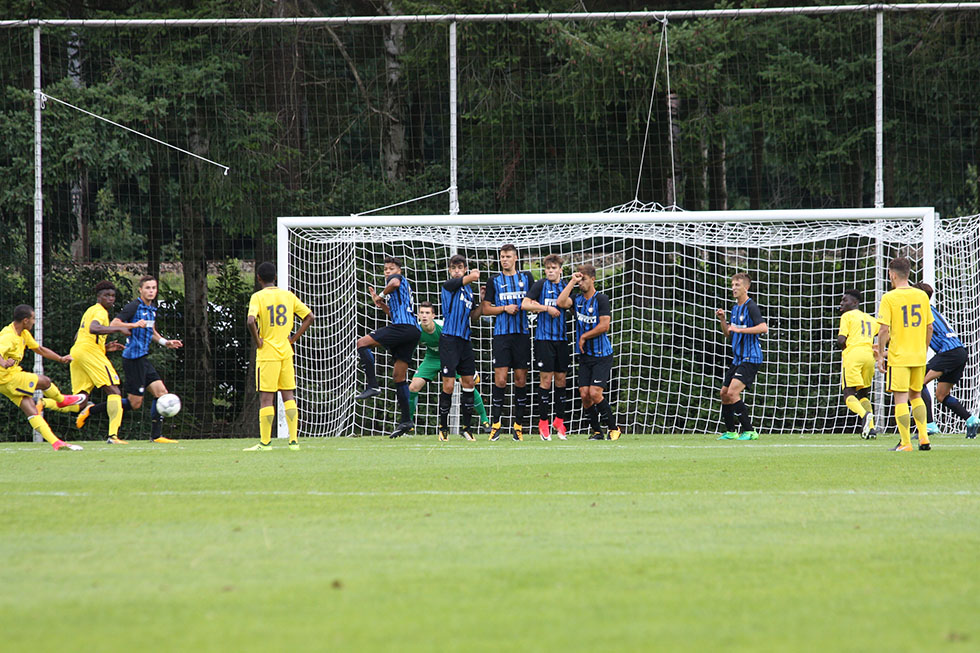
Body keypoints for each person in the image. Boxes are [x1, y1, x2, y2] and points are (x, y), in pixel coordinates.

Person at [75, 275, 184, 443]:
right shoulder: (133, 307)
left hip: (143, 358)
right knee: (134, 403)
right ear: (140, 290)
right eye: (147, 288)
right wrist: (132, 325)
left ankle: (156, 436)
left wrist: (165, 342)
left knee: (161, 393)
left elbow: (150, 329)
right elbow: (114, 323)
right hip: (133, 359)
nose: (151, 291)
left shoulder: (152, 308)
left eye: (154, 288)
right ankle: (92, 410)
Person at [243, 261, 314, 451]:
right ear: (275, 277)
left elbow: (250, 320)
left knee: (267, 399)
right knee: (288, 396)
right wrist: (294, 339)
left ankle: (265, 443)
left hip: (268, 353)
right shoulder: (287, 296)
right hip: (285, 351)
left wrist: (258, 340)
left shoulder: (258, 297)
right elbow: (309, 316)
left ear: (259, 278)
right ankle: (293, 441)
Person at [0, 304, 85, 450]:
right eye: (33, 318)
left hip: (9, 378)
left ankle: (56, 443)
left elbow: (39, 349)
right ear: (25, 320)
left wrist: (60, 358)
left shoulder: (23, 333)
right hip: (7, 379)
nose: (34, 321)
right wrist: (4, 363)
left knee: (31, 410)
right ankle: (62, 400)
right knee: (44, 381)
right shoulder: (9, 336)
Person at [355, 256, 421, 438]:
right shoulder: (397, 292)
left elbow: (394, 284)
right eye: (385, 269)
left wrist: (380, 295)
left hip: (403, 328)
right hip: (412, 331)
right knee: (399, 377)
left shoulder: (398, 280)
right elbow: (393, 312)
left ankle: (373, 385)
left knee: (361, 343)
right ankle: (406, 421)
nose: (387, 272)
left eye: (391, 268)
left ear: (399, 270)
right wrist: (382, 303)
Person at [407, 300, 490, 437]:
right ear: (418, 315)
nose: (424, 316)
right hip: (432, 358)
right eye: (422, 313)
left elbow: (459, 344)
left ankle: (485, 421)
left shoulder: (443, 326)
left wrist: (469, 368)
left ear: (433, 315)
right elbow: (410, 348)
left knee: (467, 384)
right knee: (413, 387)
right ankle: (408, 423)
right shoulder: (416, 331)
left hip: (451, 357)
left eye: (427, 313)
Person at [556, 264, 621, 441]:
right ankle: (597, 431)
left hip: (602, 355)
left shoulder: (601, 299)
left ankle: (614, 428)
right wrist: (571, 281)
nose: (580, 283)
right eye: (579, 279)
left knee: (595, 393)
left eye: (583, 279)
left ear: (593, 279)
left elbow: (604, 325)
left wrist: (584, 336)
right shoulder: (577, 299)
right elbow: (561, 302)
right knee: (584, 395)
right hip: (585, 356)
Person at [875, 257, 933, 452]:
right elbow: (929, 327)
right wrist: (923, 349)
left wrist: (881, 354)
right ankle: (924, 437)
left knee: (900, 398)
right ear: (908, 274)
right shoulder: (921, 296)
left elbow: (883, 330)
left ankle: (906, 442)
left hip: (899, 356)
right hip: (918, 355)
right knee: (916, 395)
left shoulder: (890, 298)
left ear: (892, 274)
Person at [482, 244, 535, 441]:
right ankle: (496, 424)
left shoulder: (526, 278)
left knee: (521, 380)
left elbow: (533, 301)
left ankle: (518, 426)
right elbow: (486, 309)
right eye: (502, 256)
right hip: (502, 335)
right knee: (501, 379)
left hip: (522, 334)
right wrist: (504, 308)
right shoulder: (494, 280)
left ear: (516, 258)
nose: (504, 259)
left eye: (508, 256)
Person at [913, 282, 979, 439]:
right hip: (960, 351)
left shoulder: (921, 310)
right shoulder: (931, 308)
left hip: (949, 352)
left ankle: (929, 425)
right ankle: (971, 419)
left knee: (917, 383)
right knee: (941, 395)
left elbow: (927, 331)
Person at [70, 281, 132, 444]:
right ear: (99, 297)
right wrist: (118, 328)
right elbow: (94, 329)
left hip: (78, 352)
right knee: (114, 391)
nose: (110, 299)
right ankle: (113, 436)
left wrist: (104, 347)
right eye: (107, 295)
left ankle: (44, 403)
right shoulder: (100, 312)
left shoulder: (89, 310)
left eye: (113, 296)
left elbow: (78, 336)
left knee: (81, 399)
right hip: (90, 352)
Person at [522, 254, 569, 441]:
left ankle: (559, 421)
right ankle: (543, 423)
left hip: (562, 340)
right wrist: (545, 308)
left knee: (561, 381)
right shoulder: (540, 285)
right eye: (547, 268)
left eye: (553, 268)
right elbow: (525, 304)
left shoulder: (566, 286)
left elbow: (567, 304)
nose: (550, 271)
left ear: (560, 270)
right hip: (543, 339)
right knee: (546, 381)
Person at [715, 273, 767, 441]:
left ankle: (750, 431)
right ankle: (731, 431)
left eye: (737, 285)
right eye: (732, 285)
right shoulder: (735, 308)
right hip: (738, 359)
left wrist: (740, 330)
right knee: (724, 393)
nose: (733, 288)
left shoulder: (751, 306)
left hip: (751, 357)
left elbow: (763, 328)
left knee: (732, 392)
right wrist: (723, 320)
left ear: (746, 287)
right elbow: (727, 334)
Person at [436, 256, 483, 441]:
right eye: (453, 268)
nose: (456, 270)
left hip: (465, 341)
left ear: (464, 269)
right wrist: (472, 276)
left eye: (460, 267)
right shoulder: (449, 286)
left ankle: (467, 428)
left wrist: (483, 301)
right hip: (449, 340)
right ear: (449, 270)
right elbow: (459, 281)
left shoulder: (469, 291)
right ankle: (443, 427)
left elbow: (474, 316)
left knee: (469, 383)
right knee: (448, 385)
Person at [836, 290, 878, 438]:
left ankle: (864, 414)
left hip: (853, 355)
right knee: (863, 393)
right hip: (869, 356)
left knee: (848, 393)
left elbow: (841, 340)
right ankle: (871, 429)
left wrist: (845, 348)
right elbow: (886, 334)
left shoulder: (847, 316)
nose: (842, 303)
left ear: (855, 303)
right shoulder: (870, 319)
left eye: (844, 300)